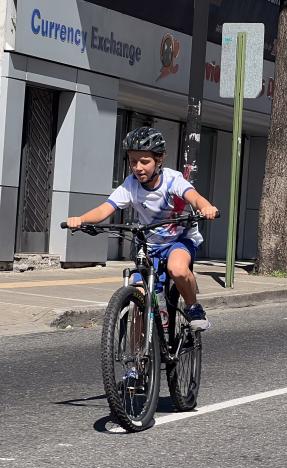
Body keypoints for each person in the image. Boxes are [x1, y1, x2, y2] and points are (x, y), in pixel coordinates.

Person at [66, 127, 219, 331]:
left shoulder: (172, 180)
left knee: (177, 269)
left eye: (144, 161)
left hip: (178, 240)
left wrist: (206, 207)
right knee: (139, 294)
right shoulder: (131, 185)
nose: (138, 167)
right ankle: (139, 357)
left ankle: (193, 307)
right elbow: (106, 208)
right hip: (149, 245)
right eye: (132, 161)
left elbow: (194, 197)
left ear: (159, 160)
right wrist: (81, 219)